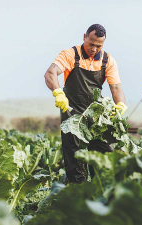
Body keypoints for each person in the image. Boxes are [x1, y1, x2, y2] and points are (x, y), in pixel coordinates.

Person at [44, 24, 127, 183]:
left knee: (103, 154)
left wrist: (120, 104)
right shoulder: (70, 55)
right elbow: (50, 73)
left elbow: (115, 87)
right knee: (75, 157)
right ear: (84, 37)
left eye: (99, 46)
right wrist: (58, 92)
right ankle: (78, 195)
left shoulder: (107, 60)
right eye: (91, 44)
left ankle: (102, 194)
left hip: (96, 115)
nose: (94, 49)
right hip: (72, 114)